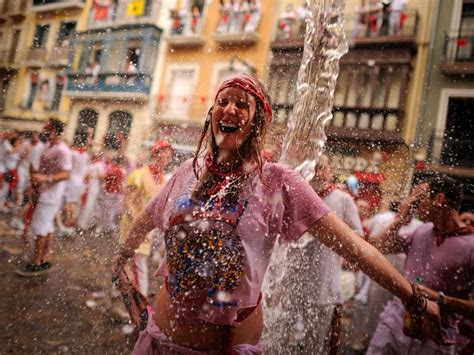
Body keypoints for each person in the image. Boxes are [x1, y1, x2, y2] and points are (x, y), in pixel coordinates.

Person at [115, 73, 449, 354]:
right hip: (157, 341)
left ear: (258, 121)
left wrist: (414, 299)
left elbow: (355, 247)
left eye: (242, 104)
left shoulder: (277, 182)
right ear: (212, 113)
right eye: (223, 101)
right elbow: (147, 216)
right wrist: (124, 255)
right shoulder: (186, 172)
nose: (230, 108)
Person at [263, 153, 364, 353]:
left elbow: (358, 236)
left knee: (313, 345)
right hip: (291, 283)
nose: (318, 172)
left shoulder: (342, 200)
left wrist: (339, 246)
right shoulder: (294, 197)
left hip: (323, 286)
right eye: (315, 167)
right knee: (277, 339)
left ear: (330, 172)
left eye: (322, 167)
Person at [367, 175, 474, 354]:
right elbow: (378, 247)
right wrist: (401, 218)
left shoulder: (471, 247)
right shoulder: (422, 231)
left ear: (438, 199)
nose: (414, 203)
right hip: (395, 322)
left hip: (436, 337)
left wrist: (440, 299)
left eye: (419, 199)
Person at [17, 119, 72, 275]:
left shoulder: (62, 150)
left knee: (39, 228)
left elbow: (66, 173)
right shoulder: (48, 146)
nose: (43, 131)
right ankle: (43, 260)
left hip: (51, 195)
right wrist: (35, 181)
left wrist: (46, 179)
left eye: (47, 129)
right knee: (46, 227)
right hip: (43, 192)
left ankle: (36, 263)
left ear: (54, 131)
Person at [120, 140, 173, 297]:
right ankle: (139, 300)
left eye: (170, 154)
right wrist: (138, 222)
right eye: (166, 152)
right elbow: (128, 200)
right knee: (137, 261)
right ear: (156, 154)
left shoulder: (163, 180)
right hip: (132, 225)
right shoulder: (139, 174)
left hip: (147, 229)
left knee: (133, 262)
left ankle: (120, 293)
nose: (169, 156)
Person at [60, 131, 90, 235]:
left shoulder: (72, 153)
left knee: (68, 204)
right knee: (73, 204)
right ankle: (70, 225)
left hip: (71, 180)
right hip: (79, 182)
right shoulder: (85, 155)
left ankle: (67, 225)